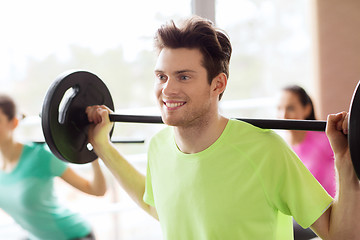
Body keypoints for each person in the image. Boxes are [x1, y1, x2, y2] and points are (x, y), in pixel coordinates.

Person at [86, 16, 360, 239]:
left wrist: (345, 161)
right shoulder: (159, 147)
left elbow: (339, 235)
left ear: (217, 84)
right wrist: (102, 146)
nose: (167, 89)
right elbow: (156, 206)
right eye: (161, 76)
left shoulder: (264, 150)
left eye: (183, 76)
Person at [0, 94, 107, 240]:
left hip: (73, 235)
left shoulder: (40, 156)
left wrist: (94, 148)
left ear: (14, 123)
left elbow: (97, 190)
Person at [277, 85, 336, 239]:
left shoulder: (325, 140)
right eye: (279, 108)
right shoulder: (281, 147)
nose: (283, 115)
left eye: (290, 108)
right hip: (301, 213)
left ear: (306, 109)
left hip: (327, 214)